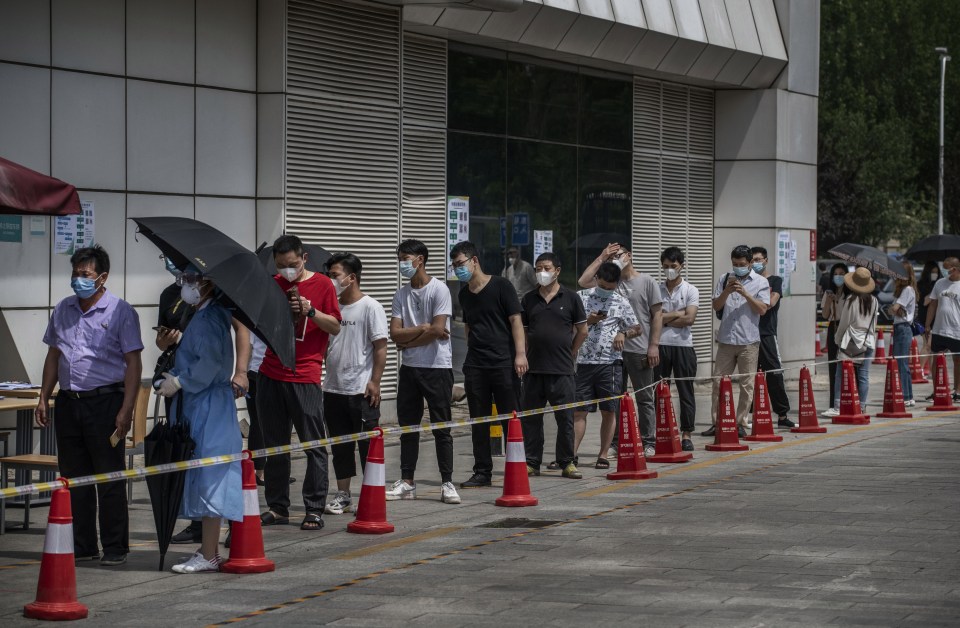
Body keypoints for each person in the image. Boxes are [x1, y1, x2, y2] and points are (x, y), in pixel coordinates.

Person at [35, 245, 143, 566]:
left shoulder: (121, 311)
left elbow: (133, 364)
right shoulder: (64, 309)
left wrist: (127, 409)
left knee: (109, 478)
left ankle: (114, 547)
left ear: (102, 277)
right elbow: (54, 355)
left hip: (105, 403)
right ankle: (83, 546)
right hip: (70, 403)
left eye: (85, 274)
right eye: (75, 274)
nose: (78, 280)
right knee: (74, 478)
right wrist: (44, 396)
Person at [156, 269, 244, 573]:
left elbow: (207, 365)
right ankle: (207, 548)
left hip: (207, 403)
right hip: (202, 403)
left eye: (193, 279)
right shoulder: (206, 314)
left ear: (208, 284)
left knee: (210, 475)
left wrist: (180, 382)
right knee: (205, 473)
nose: (186, 284)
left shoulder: (208, 319)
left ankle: (209, 554)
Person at [257, 234, 341, 531]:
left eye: (291, 265)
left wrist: (311, 311)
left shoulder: (322, 285)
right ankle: (277, 506)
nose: (286, 271)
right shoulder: (273, 285)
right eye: (281, 266)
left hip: (304, 375)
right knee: (275, 446)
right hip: (270, 373)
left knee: (313, 444)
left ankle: (315, 507)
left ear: (304, 258)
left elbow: (335, 327)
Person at [386, 239, 459, 503]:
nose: (403, 263)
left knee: (442, 427)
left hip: (437, 367)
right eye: (400, 258)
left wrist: (407, 341)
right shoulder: (401, 294)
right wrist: (422, 329)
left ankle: (447, 482)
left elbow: (439, 330)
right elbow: (394, 333)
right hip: (410, 369)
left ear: (421, 259)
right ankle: (407, 481)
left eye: (407, 258)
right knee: (409, 427)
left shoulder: (439, 290)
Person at [451, 241, 527, 489]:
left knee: (510, 418)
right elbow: (469, 325)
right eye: (454, 266)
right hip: (476, 364)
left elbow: (515, 320)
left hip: (503, 362)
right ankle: (482, 471)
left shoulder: (501, 286)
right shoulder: (463, 294)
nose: (458, 269)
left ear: (474, 261)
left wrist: (520, 354)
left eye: (460, 264)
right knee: (479, 420)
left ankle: (516, 468)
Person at [578, 244, 662, 458]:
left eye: (619, 255)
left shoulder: (646, 281)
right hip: (610, 357)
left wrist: (653, 345)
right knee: (613, 401)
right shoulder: (607, 281)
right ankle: (615, 444)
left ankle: (648, 441)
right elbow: (582, 282)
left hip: (638, 347)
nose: (616, 259)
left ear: (629, 256)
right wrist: (602, 256)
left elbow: (657, 315)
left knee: (643, 396)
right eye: (613, 256)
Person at [322, 253, 388, 514]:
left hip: (361, 390)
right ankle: (344, 495)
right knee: (340, 447)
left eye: (335, 275)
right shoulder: (331, 307)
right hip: (333, 388)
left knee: (367, 447)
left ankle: (372, 496)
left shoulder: (370, 306)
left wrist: (375, 382)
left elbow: (381, 347)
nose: (331, 280)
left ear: (351, 278)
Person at [521, 252, 588, 478]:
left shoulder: (571, 298)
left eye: (546, 268)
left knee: (565, 419)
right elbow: (524, 332)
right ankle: (532, 462)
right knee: (531, 419)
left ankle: (567, 461)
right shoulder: (529, 299)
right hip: (534, 370)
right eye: (538, 268)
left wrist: (571, 351)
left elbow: (583, 330)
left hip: (562, 370)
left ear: (557, 270)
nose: (542, 272)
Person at [573, 262, 640, 469]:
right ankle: (570, 454)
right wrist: (589, 320)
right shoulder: (581, 297)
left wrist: (623, 333)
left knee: (609, 410)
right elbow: (569, 325)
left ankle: (603, 453)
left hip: (610, 363)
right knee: (579, 410)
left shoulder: (621, 301)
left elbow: (637, 328)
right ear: (596, 280)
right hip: (583, 361)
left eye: (611, 288)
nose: (606, 292)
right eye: (603, 287)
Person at [706, 245, 770, 438]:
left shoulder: (761, 282)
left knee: (746, 384)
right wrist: (727, 291)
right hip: (726, 339)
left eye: (742, 264)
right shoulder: (724, 278)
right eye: (735, 264)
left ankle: (740, 421)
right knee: (718, 382)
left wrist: (745, 294)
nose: (738, 267)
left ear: (750, 263)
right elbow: (716, 305)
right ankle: (717, 422)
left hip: (748, 341)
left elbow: (762, 309)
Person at [656, 247, 700, 451]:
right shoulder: (656, 289)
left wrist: (664, 318)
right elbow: (651, 318)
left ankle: (687, 433)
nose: (669, 270)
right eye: (665, 266)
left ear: (682, 265)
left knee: (685, 391)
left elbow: (690, 318)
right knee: (658, 390)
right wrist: (677, 314)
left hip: (683, 346)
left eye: (673, 266)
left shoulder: (690, 289)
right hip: (660, 345)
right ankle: (661, 431)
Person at [750, 246, 794, 428]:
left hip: (767, 333)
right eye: (752, 260)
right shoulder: (748, 282)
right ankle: (750, 415)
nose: (755, 263)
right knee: (750, 377)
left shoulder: (775, 280)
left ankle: (782, 415)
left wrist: (755, 300)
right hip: (748, 334)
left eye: (758, 260)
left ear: (766, 260)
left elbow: (771, 302)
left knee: (774, 373)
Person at [832, 268, 878, 412]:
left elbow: (844, 323)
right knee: (863, 376)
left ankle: (838, 406)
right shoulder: (874, 300)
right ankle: (862, 406)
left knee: (840, 374)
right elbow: (874, 323)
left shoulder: (851, 300)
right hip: (868, 340)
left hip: (850, 340)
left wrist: (837, 339)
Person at [924, 257, 960, 402]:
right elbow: (933, 304)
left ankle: (957, 390)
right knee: (936, 360)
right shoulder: (940, 283)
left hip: (957, 330)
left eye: (946, 268)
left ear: (955, 269)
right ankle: (937, 389)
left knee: (957, 361)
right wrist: (928, 324)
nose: (944, 271)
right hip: (939, 329)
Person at [820, 263, 849, 417]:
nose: (839, 276)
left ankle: (849, 400)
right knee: (834, 367)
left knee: (848, 365)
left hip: (847, 329)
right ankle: (834, 403)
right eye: (836, 273)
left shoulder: (851, 294)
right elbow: (825, 315)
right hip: (834, 327)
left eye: (842, 273)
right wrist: (830, 301)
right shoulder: (829, 292)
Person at [888, 260, 918, 407]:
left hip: (903, 328)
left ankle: (906, 396)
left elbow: (894, 309)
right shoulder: (903, 290)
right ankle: (908, 395)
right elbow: (894, 309)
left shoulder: (907, 290)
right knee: (900, 363)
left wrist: (894, 308)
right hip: (900, 327)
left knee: (902, 364)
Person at [917, 261, 940, 377]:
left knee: (933, 348)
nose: (935, 275)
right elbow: (925, 302)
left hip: (938, 319)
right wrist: (934, 292)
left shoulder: (939, 284)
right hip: (925, 319)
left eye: (937, 272)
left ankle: (932, 372)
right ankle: (918, 370)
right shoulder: (921, 285)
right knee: (928, 345)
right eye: (933, 272)